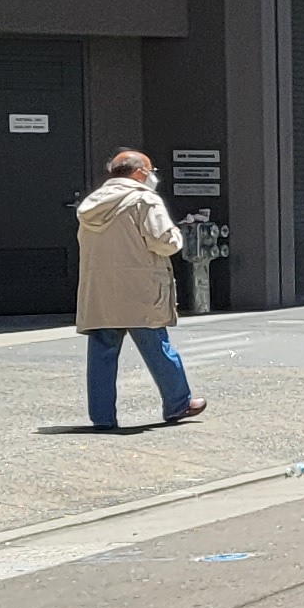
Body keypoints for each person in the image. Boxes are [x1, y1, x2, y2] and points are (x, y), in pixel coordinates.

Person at [74, 150, 204, 432]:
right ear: (140, 173)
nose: (152, 175)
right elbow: (164, 241)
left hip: (99, 291)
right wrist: (178, 235)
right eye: (150, 170)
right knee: (158, 346)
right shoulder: (144, 199)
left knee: (102, 352)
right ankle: (178, 402)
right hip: (141, 289)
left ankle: (102, 417)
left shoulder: (90, 206)